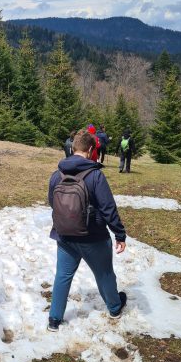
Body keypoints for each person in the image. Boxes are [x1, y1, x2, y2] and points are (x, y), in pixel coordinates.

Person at [47, 130, 127, 331]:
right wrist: (119, 234)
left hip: (64, 236)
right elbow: (108, 208)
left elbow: (52, 203)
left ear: (73, 148)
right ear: (91, 149)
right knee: (104, 274)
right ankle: (115, 308)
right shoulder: (95, 175)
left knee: (62, 276)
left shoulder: (56, 175)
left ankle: (54, 319)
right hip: (94, 238)